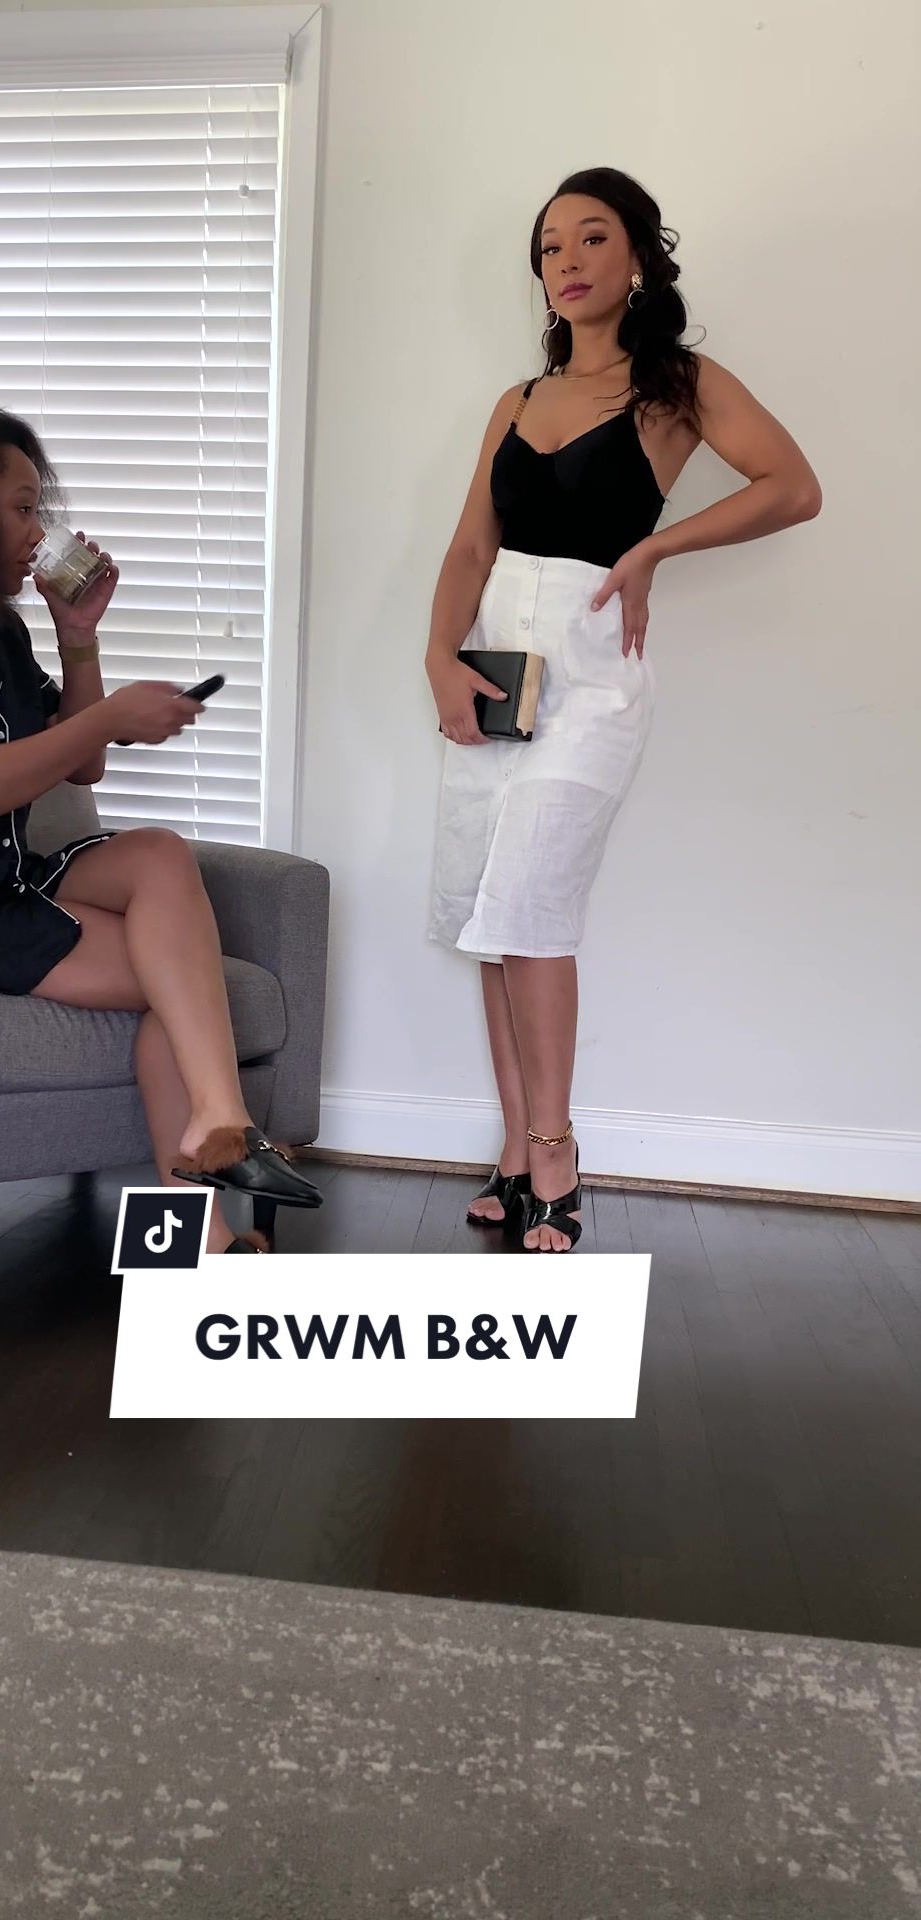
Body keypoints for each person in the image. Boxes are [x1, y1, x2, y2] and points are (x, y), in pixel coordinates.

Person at [425, 167, 821, 1253]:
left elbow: (792, 486)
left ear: (637, 255)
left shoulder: (676, 384)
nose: (568, 261)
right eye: (550, 246)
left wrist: (654, 548)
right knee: (492, 919)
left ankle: (555, 1150)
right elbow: (470, 546)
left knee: (533, 911)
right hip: (496, 669)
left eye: (592, 237)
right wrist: (438, 660)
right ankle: (516, 1150)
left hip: (593, 676)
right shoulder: (517, 401)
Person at [0, 408, 321, 1251]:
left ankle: (217, 1130)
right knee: (180, 992)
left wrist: (78, 638)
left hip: (7, 872)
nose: (40, 532)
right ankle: (202, 1229)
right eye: (22, 509)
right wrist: (104, 719)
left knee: (158, 856)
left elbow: (81, 766)